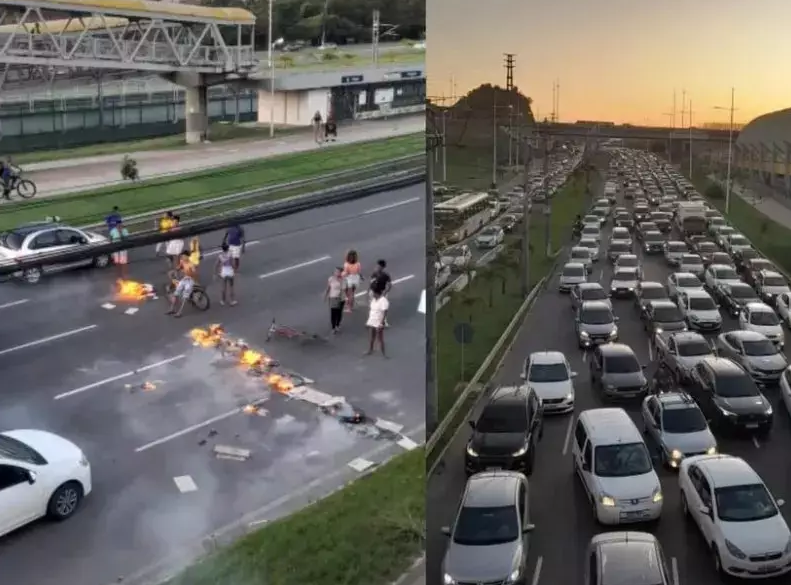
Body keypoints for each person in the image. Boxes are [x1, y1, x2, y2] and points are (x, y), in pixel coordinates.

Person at [167, 251, 197, 317]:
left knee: (184, 297)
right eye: (182, 256)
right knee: (175, 294)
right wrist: (175, 271)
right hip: (184, 279)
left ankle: (180, 312)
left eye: (183, 256)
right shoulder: (182, 261)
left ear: (187, 256)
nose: (182, 257)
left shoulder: (191, 264)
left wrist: (188, 274)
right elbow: (179, 267)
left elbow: (194, 274)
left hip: (190, 280)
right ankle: (172, 309)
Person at [365, 282, 389, 357]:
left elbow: (385, 312)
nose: (372, 294)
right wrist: (368, 322)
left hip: (378, 321)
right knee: (372, 337)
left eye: (373, 293)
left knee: (380, 338)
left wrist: (382, 323)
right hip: (372, 320)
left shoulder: (383, 301)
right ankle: (370, 350)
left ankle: (384, 354)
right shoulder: (373, 300)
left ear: (377, 293)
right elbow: (372, 311)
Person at [369, 259, 392, 325]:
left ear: (382, 267)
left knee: (383, 307)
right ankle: (372, 319)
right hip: (374, 292)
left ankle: (384, 320)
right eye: (377, 266)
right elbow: (371, 283)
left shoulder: (386, 275)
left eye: (379, 267)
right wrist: (370, 291)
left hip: (382, 292)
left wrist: (385, 292)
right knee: (373, 306)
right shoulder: (374, 273)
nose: (377, 268)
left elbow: (389, 285)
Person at [325, 266, 345, 333]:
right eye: (335, 271)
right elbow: (328, 288)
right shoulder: (330, 279)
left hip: (340, 299)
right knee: (333, 313)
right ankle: (333, 327)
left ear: (341, 273)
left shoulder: (343, 280)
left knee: (338, 313)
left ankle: (337, 325)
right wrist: (325, 296)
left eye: (338, 272)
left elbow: (343, 290)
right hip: (332, 298)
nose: (336, 272)